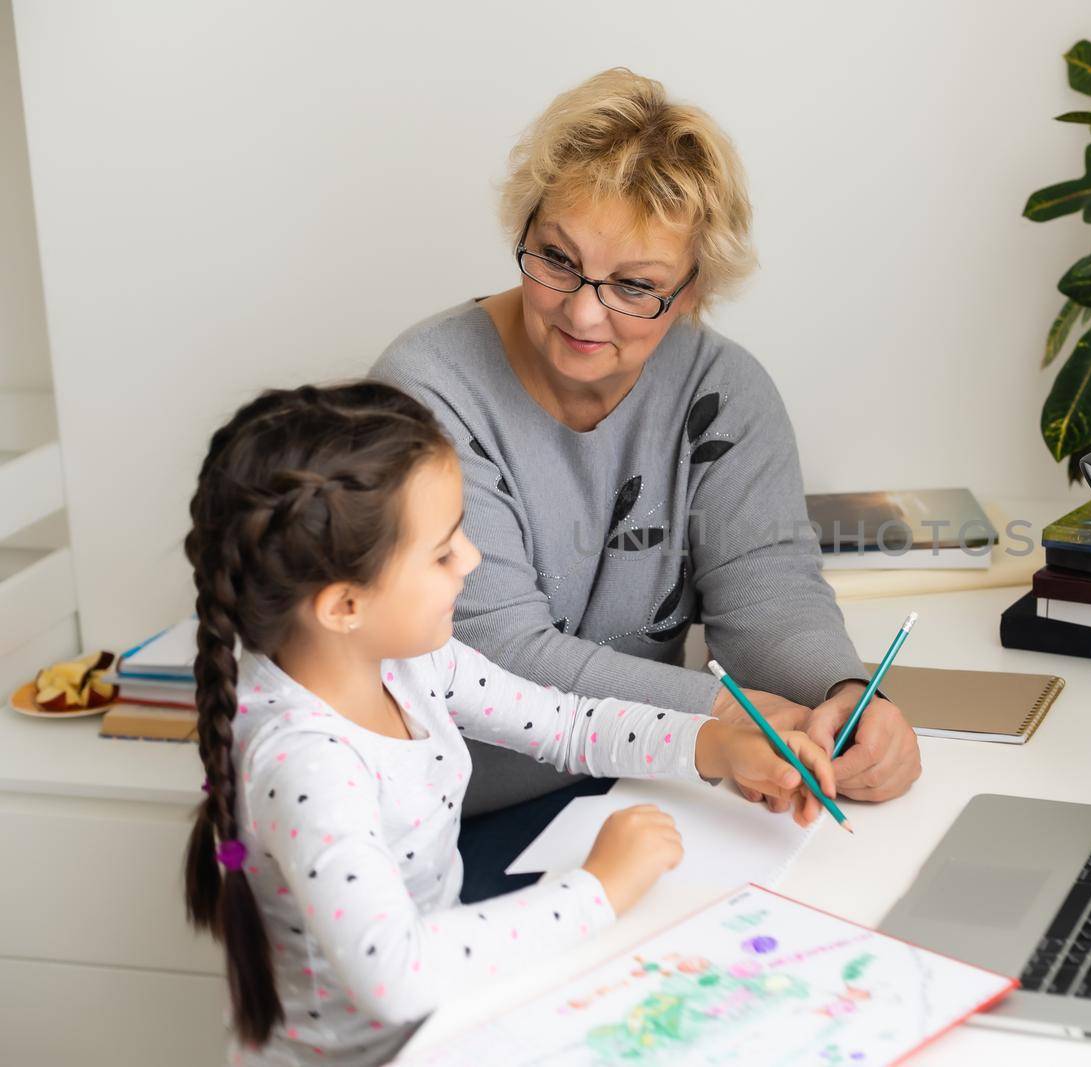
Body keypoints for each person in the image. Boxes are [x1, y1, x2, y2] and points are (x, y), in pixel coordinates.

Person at [372, 70, 920, 890]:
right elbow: (502, 654)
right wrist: (732, 723)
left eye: (635, 285)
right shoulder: (427, 391)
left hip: (647, 788)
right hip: (457, 825)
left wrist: (844, 701)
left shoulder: (726, 391)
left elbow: (767, 589)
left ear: (694, 291)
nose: (583, 313)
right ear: (523, 227)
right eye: (557, 259)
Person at [181, 382, 837, 1065]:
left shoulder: (408, 662)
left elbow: (566, 722)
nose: (471, 558)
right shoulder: (307, 763)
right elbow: (397, 975)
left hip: (456, 1014)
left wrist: (715, 745)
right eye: (441, 553)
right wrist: (599, 887)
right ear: (345, 604)